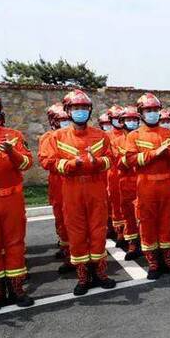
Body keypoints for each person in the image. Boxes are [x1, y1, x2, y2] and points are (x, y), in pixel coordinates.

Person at [43, 89, 116, 295]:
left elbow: (111, 158)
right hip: (71, 187)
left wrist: (98, 162)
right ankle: (83, 276)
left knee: (98, 231)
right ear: (68, 110)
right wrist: (68, 164)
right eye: (76, 108)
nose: (80, 111)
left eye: (84, 108)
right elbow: (47, 161)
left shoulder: (100, 135)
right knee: (76, 232)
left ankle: (100, 273)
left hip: (95, 187)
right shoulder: (56, 137)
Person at [0, 87, 34, 315]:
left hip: (12, 197)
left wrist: (12, 152)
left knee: (14, 243)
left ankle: (17, 289)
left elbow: (26, 164)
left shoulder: (14, 135)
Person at [123, 93, 170, 279]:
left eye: (155, 110)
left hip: (166, 183)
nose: (153, 114)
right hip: (146, 184)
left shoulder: (169, 133)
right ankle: (153, 263)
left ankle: (168, 260)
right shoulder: (134, 136)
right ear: (141, 113)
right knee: (147, 223)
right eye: (149, 110)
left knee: (166, 222)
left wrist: (168, 154)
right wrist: (154, 154)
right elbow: (130, 159)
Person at [39, 103, 71, 264]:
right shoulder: (48, 137)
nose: (65, 122)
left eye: (66, 119)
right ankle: (67, 250)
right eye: (61, 119)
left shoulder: (73, 135)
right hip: (58, 183)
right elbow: (46, 162)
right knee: (61, 218)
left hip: (74, 183)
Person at [115, 106, 141, 260]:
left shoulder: (143, 137)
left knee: (144, 215)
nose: (131, 122)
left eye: (134, 119)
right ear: (122, 121)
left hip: (143, 180)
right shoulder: (117, 141)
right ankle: (132, 244)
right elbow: (119, 163)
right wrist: (133, 157)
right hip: (125, 182)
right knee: (128, 215)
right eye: (128, 120)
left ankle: (147, 243)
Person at [107, 105, 126, 246]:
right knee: (116, 204)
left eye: (121, 119)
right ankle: (119, 232)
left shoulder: (131, 135)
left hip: (129, 175)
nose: (119, 121)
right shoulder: (106, 136)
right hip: (113, 174)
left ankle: (131, 233)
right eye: (115, 119)